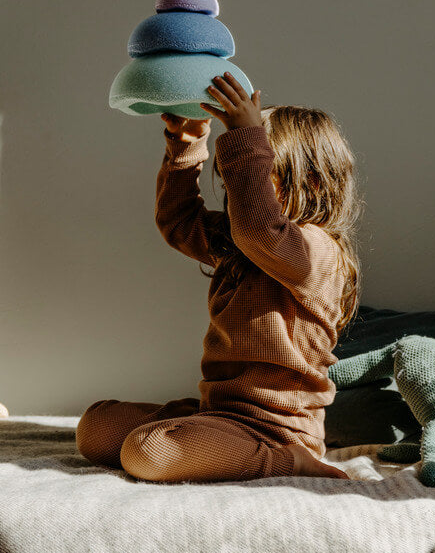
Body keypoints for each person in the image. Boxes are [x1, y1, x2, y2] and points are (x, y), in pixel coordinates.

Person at [76, 72, 363, 482]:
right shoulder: (239, 242)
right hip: (220, 414)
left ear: (312, 182)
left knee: (147, 451)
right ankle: (200, 439)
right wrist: (188, 141)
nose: (235, 186)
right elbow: (178, 220)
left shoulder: (319, 253)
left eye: (256, 172)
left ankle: (292, 461)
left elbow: (259, 228)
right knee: (96, 427)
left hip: (276, 431)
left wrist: (245, 135)